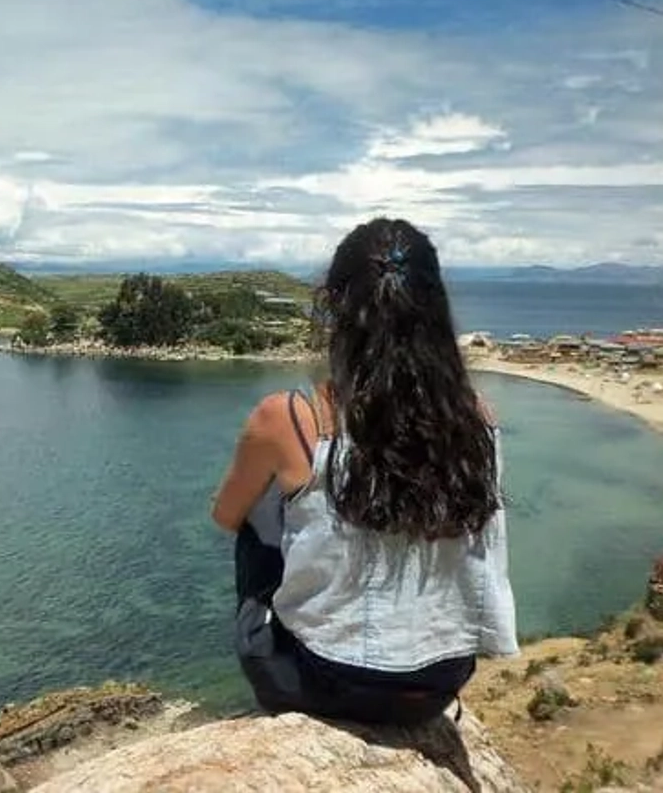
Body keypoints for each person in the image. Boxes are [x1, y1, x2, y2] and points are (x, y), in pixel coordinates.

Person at [210, 217, 518, 726]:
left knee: (264, 509)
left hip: (319, 680)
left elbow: (226, 516)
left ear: (333, 306)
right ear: (434, 308)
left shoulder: (288, 417)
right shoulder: (477, 421)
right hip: (438, 683)